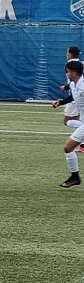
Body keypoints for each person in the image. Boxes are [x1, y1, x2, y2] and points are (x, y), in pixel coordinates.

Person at [54, 59, 84, 188]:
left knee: (68, 148)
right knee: (68, 148)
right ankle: (75, 177)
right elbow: (73, 97)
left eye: (68, 72)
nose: (67, 74)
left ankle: (75, 177)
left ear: (74, 73)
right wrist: (60, 102)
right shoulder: (73, 84)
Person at [55, 46, 82, 127]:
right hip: (77, 97)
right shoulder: (81, 64)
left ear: (70, 54)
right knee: (77, 119)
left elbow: (74, 83)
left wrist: (66, 88)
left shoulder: (70, 64)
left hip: (76, 98)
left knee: (68, 121)